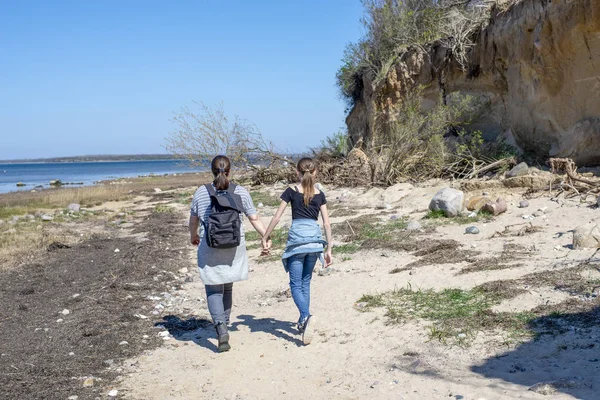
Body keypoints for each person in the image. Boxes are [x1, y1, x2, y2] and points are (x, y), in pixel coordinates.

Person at [189, 155, 271, 352]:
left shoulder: (201, 192)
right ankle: (225, 322)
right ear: (229, 171)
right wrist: (266, 236)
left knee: (213, 288)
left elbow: (193, 220)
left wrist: (193, 236)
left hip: (210, 245)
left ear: (212, 171)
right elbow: (254, 217)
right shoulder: (240, 191)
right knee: (228, 287)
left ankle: (220, 327)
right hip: (235, 246)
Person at [261, 157, 333, 345]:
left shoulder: (291, 191)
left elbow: (277, 217)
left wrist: (265, 236)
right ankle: (303, 322)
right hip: (315, 242)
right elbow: (326, 223)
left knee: (294, 283)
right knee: (306, 281)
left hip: (297, 243)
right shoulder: (320, 194)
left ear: (297, 173)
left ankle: (305, 316)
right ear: (315, 172)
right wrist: (329, 249)